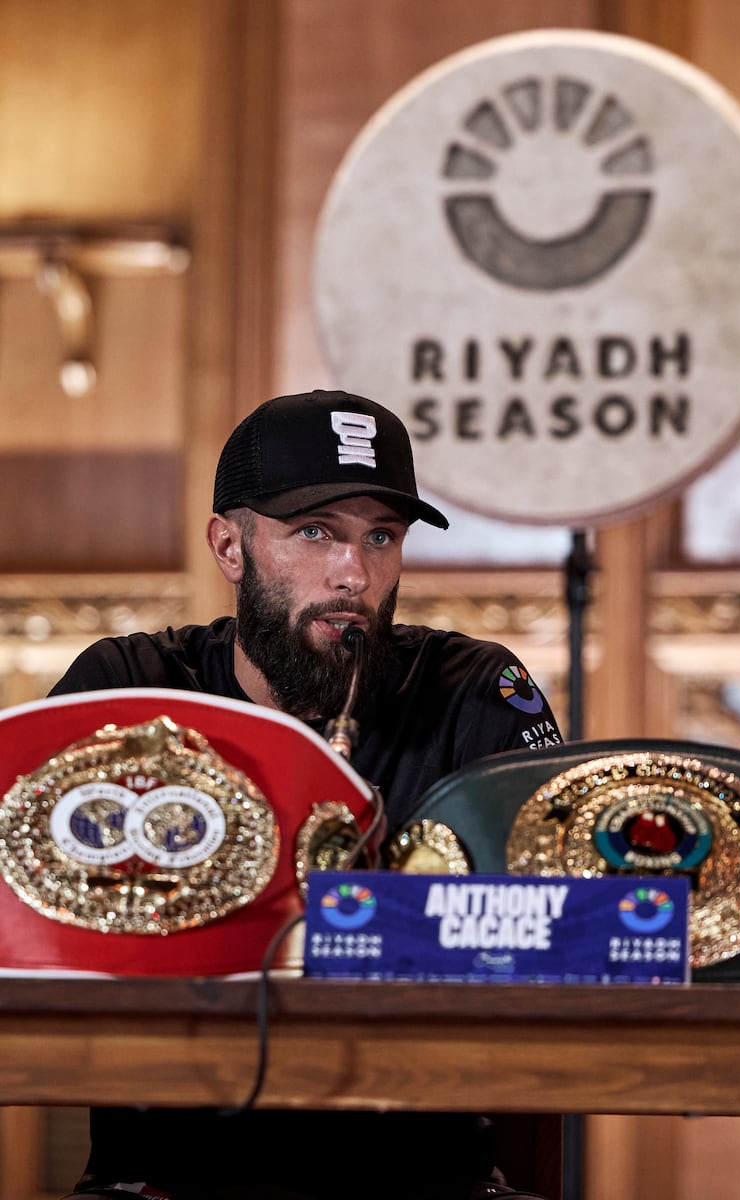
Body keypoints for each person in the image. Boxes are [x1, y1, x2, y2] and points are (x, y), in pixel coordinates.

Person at [52, 388, 564, 1200]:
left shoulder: (473, 691)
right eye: (315, 532)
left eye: (381, 537)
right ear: (230, 546)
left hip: (425, 1174)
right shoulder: (131, 689)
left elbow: (558, 929)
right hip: (167, 1174)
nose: (353, 573)